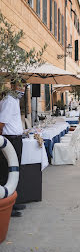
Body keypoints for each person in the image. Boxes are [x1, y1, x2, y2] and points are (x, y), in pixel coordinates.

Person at [0, 81, 26, 217]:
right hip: (10, 140)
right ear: (13, 86)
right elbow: (1, 122)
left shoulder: (14, 100)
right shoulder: (9, 100)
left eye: (24, 86)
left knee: (15, 171)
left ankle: (13, 202)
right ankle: (7, 205)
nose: (23, 89)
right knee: (7, 171)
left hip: (16, 139)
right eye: (20, 86)